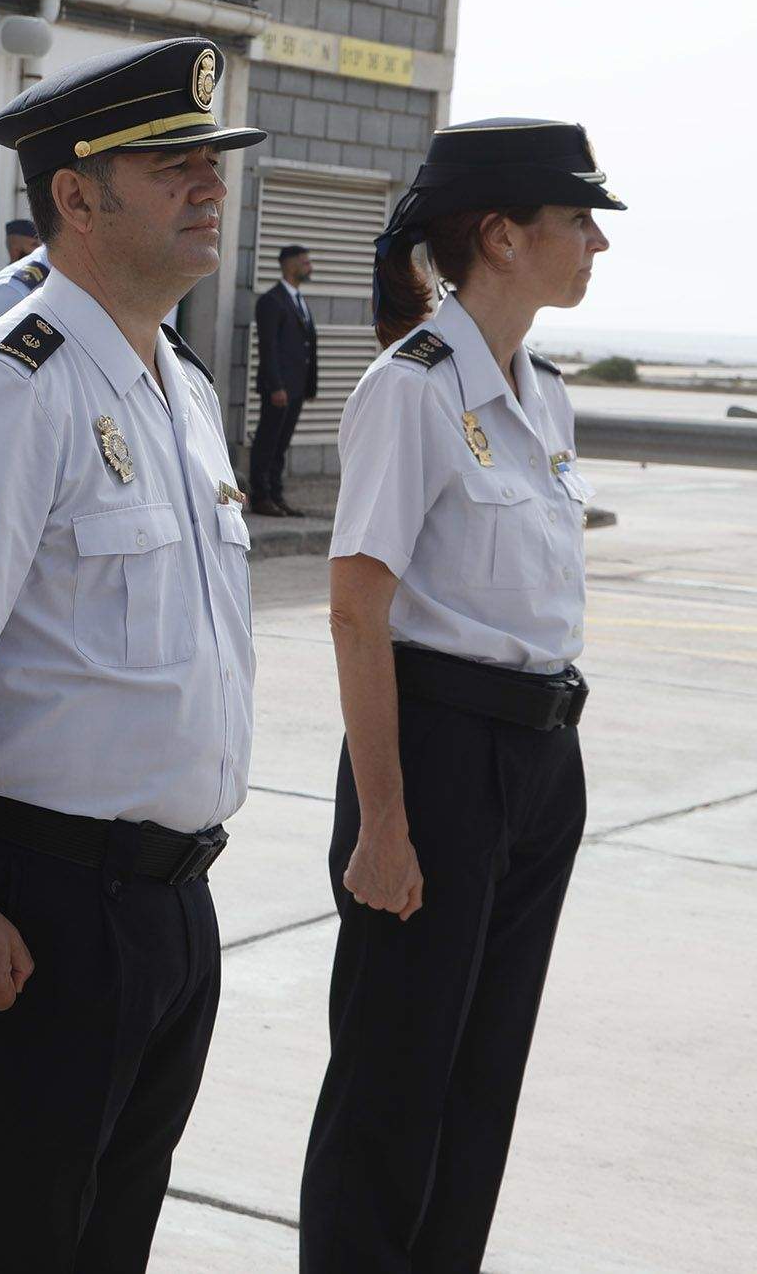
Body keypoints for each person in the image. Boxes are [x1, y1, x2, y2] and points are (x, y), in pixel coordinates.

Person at [0, 37, 262, 1272]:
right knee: (7, 1242)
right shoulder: (13, 383)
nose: (208, 183)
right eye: (171, 164)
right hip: (41, 910)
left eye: (210, 161)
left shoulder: (179, 389)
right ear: (77, 197)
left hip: (170, 903)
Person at [298, 119, 623, 1274]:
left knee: (482, 1078)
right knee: (393, 1079)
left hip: (538, 759)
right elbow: (356, 610)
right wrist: (383, 821)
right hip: (435, 760)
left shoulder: (542, 391)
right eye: (575, 218)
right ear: (500, 235)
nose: (594, 242)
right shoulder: (413, 390)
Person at [250, 242, 320, 516]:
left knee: (281, 444)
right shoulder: (271, 301)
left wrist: (309, 386)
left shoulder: (299, 300)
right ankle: (260, 496)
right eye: (305, 262)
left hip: (296, 388)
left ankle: (276, 495)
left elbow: (307, 346)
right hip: (278, 388)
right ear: (290, 265)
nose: (309, 267)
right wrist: (276, 386)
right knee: (267, 442)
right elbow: (268, 348)